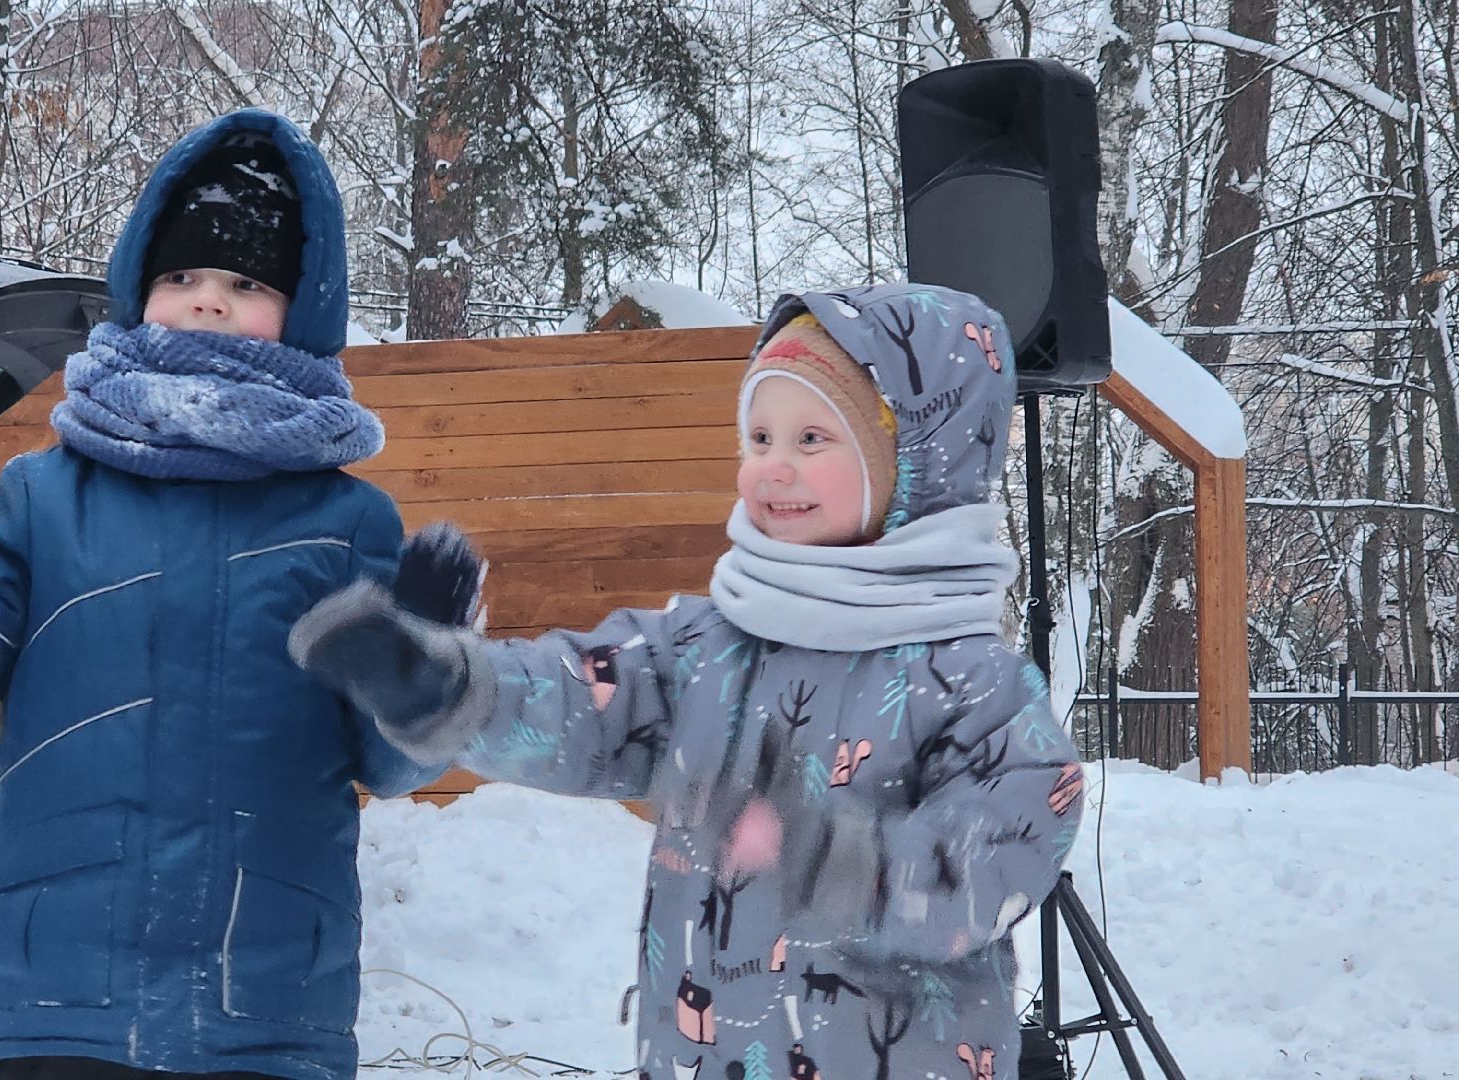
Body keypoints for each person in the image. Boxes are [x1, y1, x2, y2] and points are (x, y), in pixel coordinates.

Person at [0, 108, 462, 1080]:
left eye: (244, 282)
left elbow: (396, 757)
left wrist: (422, 660)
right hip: (56, 1016)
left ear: (304, 307)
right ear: (137, 292)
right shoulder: (43, 500)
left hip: (262, 1019)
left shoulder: (348, 524)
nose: (206, 300)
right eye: (180, 277)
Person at [289, 283, 1086, 1080]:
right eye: (758, 436)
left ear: (916, 461)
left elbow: (993, 861)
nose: (774, 466)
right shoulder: (707, 646)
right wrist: (453, 690)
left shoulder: (975, 683)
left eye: (812, 438)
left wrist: (827, 859)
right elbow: (579, 696)